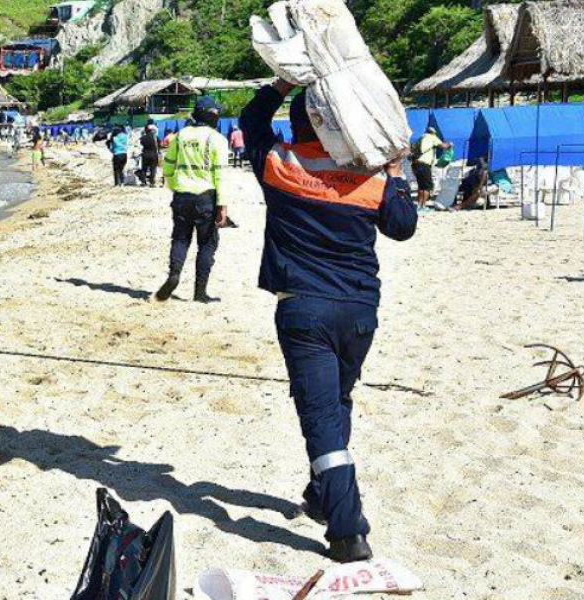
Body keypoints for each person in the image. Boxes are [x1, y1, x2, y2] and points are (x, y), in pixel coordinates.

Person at [240, 81, 417, 563]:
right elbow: (403, 227)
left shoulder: (280, 165)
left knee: (320, 418)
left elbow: (250, 123)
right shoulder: (371, 178)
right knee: (336, 403)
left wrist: (281, 82)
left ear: (297, 127)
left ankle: (347, 531)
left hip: (304, 311)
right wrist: (396, 171)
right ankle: (321, 496)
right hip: (360, 311)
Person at [155, 97, 230, 303]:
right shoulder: (217, 139)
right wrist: (222, 205)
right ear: (214, 117)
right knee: (207, 244)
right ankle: (199, 292)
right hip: (206, 197)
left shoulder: (180, 136)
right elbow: (220, 175)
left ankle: (174, 275)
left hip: (181, 196)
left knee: (180, 239)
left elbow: (168, 165)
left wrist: (174, 187)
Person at [412, 127, 452, 208]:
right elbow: (443, 146)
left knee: (421, 185)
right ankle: (423, 206)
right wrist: (450, 145)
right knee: (427, 187)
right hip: (424, 164)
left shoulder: (421, 137)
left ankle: (419, 205)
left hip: (415, 163)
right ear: (433, 133)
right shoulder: (432, 137)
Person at [139, 123, 161, 187]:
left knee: (144, 169)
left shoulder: (143, 138)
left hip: (145, 154)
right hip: (154, 155)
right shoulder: (156, 137)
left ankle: (143, 182)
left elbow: (140, 145)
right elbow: (160, 145)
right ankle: (152, 183)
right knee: (153, 169)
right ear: (151, 131)